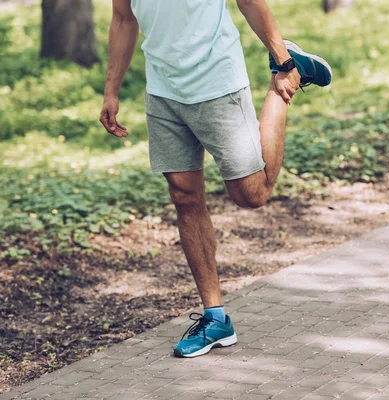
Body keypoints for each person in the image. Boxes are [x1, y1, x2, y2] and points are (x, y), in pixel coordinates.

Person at [99, 0, 332, 358]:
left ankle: (285, 82)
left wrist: (283, 60)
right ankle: (215, 318)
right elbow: (122, 18)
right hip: (163, 91)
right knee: (184, 196)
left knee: (251, 194)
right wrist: (111, 90)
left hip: (217, 81)